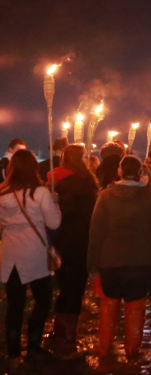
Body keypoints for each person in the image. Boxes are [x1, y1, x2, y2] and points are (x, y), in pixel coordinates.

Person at [88, 155, 151, 362]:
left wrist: (92, 265)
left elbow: (95, 233)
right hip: (142, 261)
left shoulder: (105, 196)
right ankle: (132, 354)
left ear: (120, 172)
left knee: (108, 306)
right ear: (140, 173)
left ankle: (104, 352)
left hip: (111, 260)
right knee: (136, 309)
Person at [0, 150, 62, 357]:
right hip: (34, 253)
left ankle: (13, 350)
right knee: (43, 300)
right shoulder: (40, 192)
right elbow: (54, 223)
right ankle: (34, 344)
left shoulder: (2, 193)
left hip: (10, 254)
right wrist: (56, 204)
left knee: (15, 303)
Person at [50, 144, 98, 352]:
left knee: (63, 285)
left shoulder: (54, 179)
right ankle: (70, 331)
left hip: (60, 238)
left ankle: (59, 328)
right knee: (76, 286)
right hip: (81, 239)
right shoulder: (87, 181)